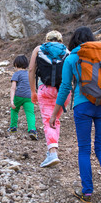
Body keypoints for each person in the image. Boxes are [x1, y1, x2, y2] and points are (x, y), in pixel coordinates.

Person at [49, 26, 101, 203]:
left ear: (74, 40)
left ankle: (87, 193)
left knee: (84, 150)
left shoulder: (72, 57)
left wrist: (54, 114)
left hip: (83, 106)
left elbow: (65, 87)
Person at [28, 30, 71, 167]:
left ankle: (52, 152)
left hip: (45, 89)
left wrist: (32, 91)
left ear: (46, 39)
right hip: (63, 91)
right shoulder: (67, 50)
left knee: (48, 121)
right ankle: (52, 150)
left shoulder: (39, 49)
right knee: (55, 119)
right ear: (60, 40)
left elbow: (31, 70)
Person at [8, 55, 37, 140]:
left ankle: (13, 127)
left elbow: (13, 88)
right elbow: (33, 86)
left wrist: (12, 101)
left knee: (14, 110)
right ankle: (32, 130)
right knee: (30, 113)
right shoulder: (30, 74)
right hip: (29, 96)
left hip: (19, 96)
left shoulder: (16, 74)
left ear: (16, 64)